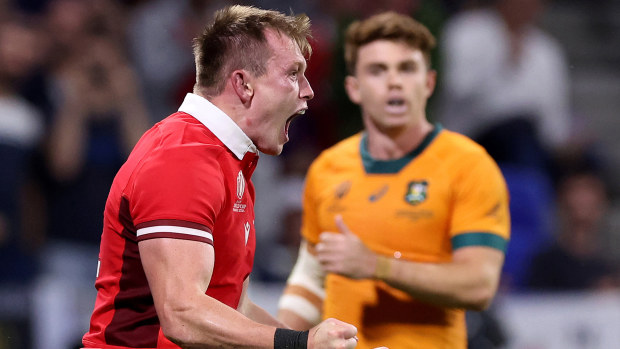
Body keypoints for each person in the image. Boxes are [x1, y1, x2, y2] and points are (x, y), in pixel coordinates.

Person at [82, 5, 362, 349]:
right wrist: (300, 343)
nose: (308, 90)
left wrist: (307, 345)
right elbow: (183, 314)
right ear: (243, 84)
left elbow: (233, 307)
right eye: (293, 73)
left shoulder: (229, 160)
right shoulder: (182, 157)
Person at [278, 11, 510, 349]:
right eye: (377, 70)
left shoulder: (470, 166)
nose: (394, 82)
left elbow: (480, 286)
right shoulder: (327, 168)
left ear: (428, 83)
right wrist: (281, 337)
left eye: (406, 68)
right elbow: (312, 277)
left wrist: (378, 265)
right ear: (353, 88)